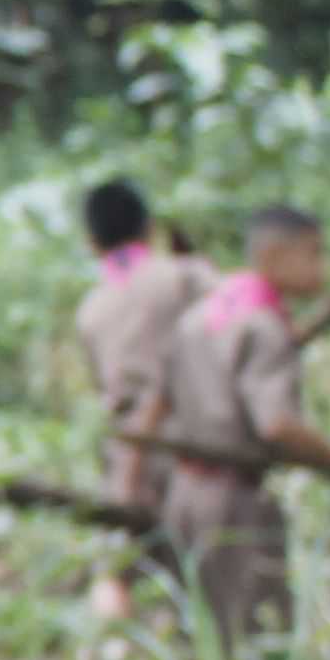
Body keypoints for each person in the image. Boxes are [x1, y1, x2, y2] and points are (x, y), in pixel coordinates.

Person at [151, 206, 330, 649]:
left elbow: (160, 401)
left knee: (198, 633)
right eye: (313, 254)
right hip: (235, 503)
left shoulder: (198, 317)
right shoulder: (264, 326)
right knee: (253, 637)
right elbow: (276, 425)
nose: (322, 267)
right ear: (274, 256)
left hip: (184, 494)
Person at [72, 177, 214, 620]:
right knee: (196, 569)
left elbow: (104, 386)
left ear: (92, 241)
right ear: (149, 227)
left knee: (117, 566)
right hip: (193, 446)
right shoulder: (184, 276)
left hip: (126, 451)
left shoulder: (91, 308)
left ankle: (112, 646)